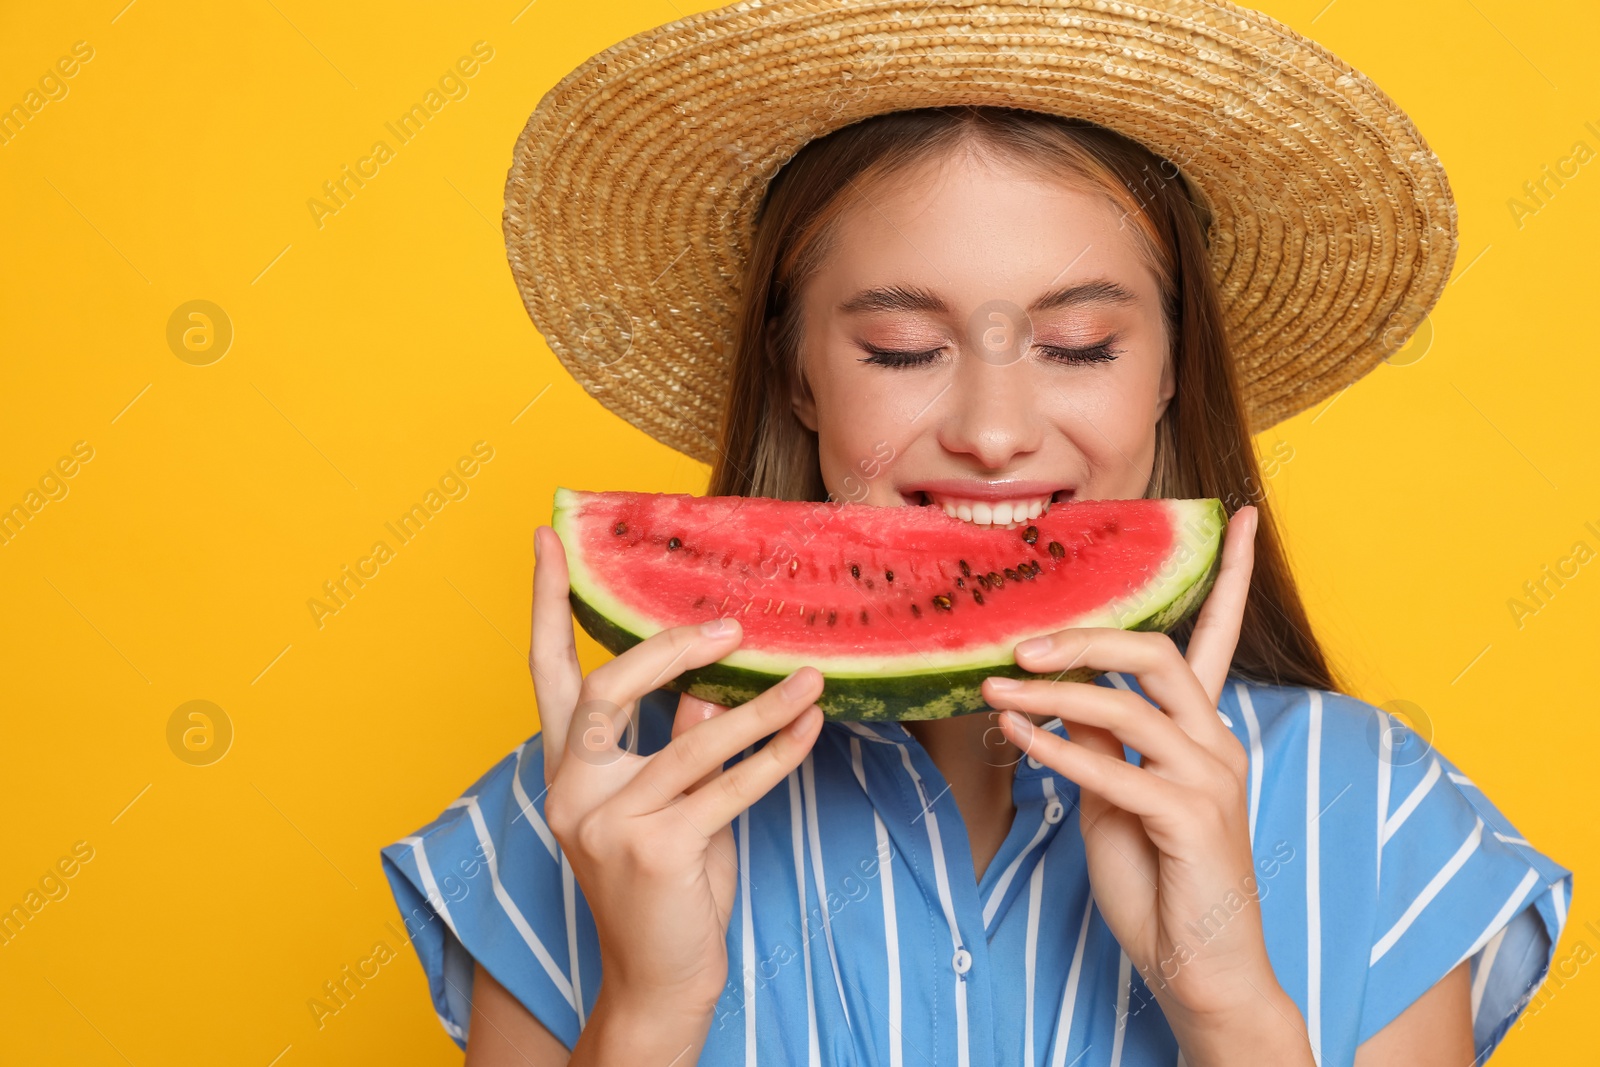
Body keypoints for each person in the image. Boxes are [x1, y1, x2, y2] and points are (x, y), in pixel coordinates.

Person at [381, 3, 1571, 1064]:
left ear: (1170, 374)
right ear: (796, 379)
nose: (994, 433)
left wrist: (1229, 1011)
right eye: (903, 351)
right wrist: (651, 1007)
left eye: (1079, 346)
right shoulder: (578, 821)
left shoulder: (1370, 809)